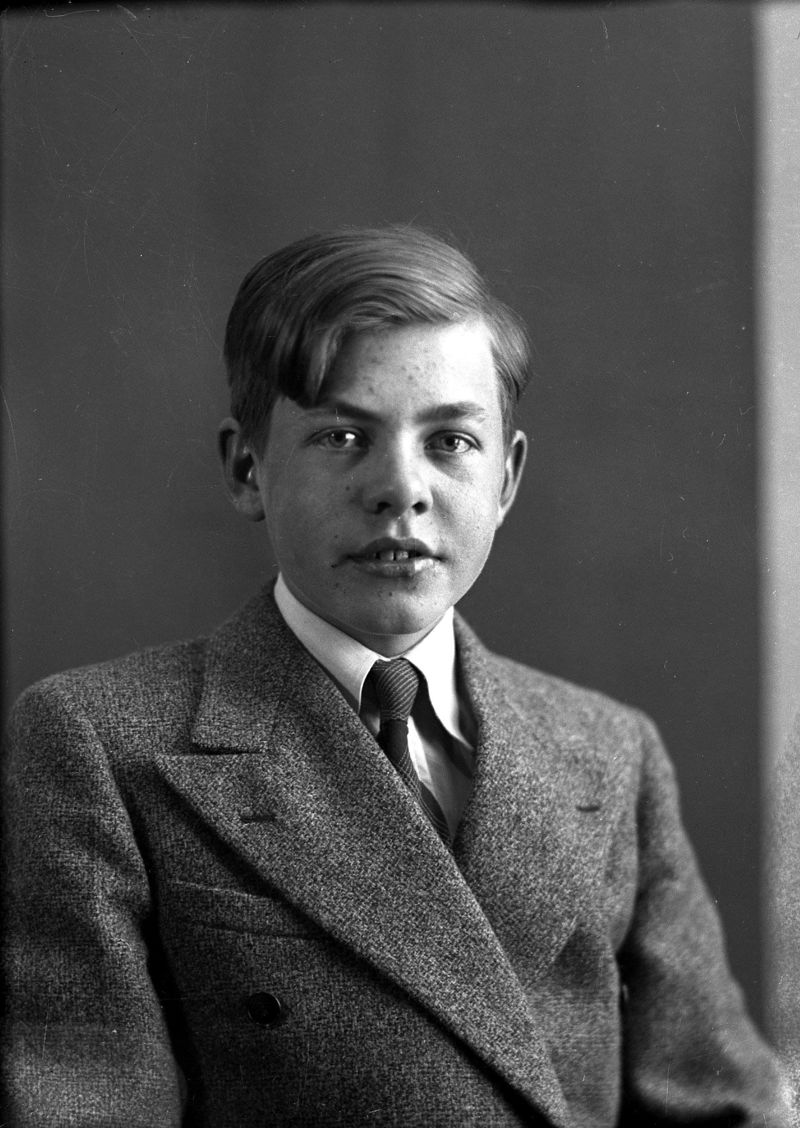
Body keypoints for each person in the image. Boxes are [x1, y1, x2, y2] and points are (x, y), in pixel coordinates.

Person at [2, 227, 788, 1126]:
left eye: (450, 440)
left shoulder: (609, 752)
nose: (399, 489)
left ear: (506, 480)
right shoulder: (101, 743)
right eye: (342, 436)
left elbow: (725, 1104)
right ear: (248, 467)